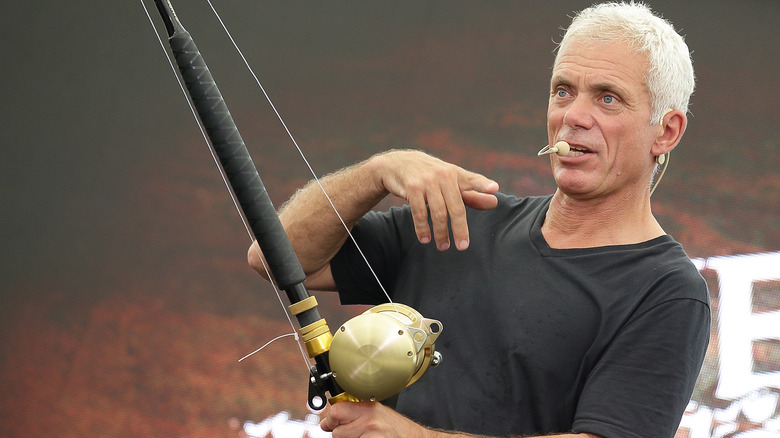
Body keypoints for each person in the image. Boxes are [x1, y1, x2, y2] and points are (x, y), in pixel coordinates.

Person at [248, 2, 710, 437]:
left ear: (666, 131)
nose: (573, 116)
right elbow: (276, 259)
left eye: (607, 99)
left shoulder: (667, 290)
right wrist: (377, 172)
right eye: (563, 91)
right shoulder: (458, 220)